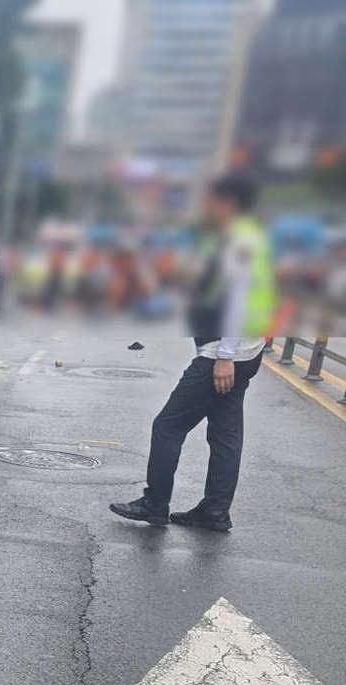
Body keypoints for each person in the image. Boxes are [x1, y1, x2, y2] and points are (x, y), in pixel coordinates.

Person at [110, 173, 277, 533]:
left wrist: (224, 356)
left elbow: (237, 299)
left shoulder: (239, 240)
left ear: (228, 202)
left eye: (211, 200)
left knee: (168, 425)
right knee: (226, 433)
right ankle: (215, 511)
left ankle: (155, 503)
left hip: (226, 350)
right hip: (247, 349)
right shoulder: (253, 236)